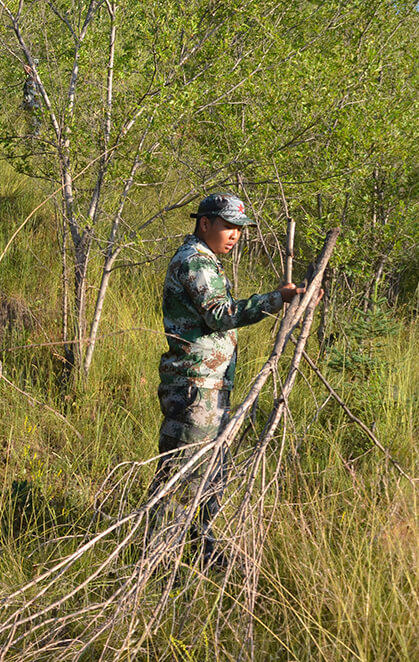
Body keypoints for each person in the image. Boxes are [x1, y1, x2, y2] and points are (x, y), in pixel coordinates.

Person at [147, 192, 308, 567]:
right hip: (194, 387)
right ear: (205, 224)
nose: (235, 235)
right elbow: (220, 314)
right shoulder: (194, 262)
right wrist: (274, 299)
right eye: (228, 226)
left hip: (211, 386)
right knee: (180, 476)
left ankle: (203, 550)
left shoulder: (207, 261)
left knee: (211, 474)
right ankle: (156, 562)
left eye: (240, 229)